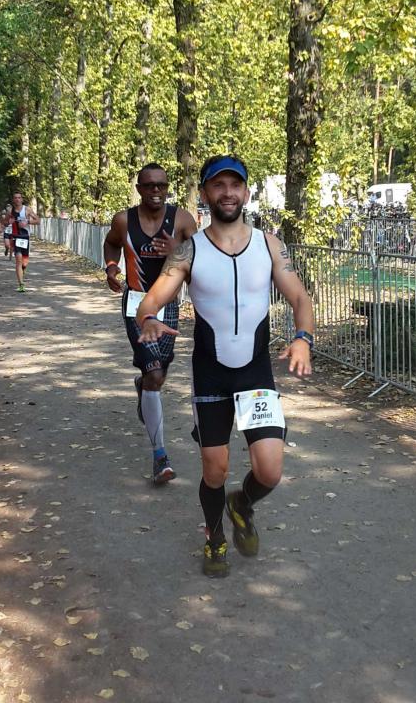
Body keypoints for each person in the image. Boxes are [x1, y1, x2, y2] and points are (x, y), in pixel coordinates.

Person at [136, 155, 314, 577]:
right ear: (205, 193)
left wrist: (303, 339)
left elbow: (300, 297)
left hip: (255, 373)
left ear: (246, 193)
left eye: (235, 185)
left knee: (270, 470)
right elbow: (152, 298)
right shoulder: (189, 250)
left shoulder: (270, 245)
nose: (228, 193)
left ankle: (242, 504)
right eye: (218, 185)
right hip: (211, 372)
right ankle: (215, 537)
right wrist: (148, 319)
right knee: (214, 470)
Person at [103, 163, 197, 484]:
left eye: (162, 185)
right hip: (136, 303)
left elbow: (203, 256)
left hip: (169, 304)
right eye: (150, 185)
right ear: (139, 188)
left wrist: (179, 250)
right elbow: (111, 243)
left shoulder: (182, 220)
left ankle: (143, 386)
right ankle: (160, 456)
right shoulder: (123, 221)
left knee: (159, 374)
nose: (156, 191)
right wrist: (111, 267)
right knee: (155, 374)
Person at [11, 191, 40, 292]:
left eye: (19, 197)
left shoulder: (27, 209)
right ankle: (21, 284)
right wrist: (8, 222)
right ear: (13, 200)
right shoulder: (10, 211)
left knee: (24, 262)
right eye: (15, 198)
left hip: (25, 237)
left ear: (22, 199)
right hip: (15, 237)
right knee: (18, 260)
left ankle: (23, 269)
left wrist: (27, 221)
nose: (17, 199)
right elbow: (5, 222)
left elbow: (38, 220)